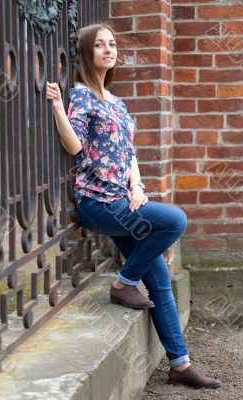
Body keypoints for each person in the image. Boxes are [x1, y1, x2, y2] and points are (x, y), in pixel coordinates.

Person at [46, 23, 221, 389]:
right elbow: (75, 146)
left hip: (124, 199)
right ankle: (123, 282)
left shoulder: (117, 102)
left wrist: (138, 185)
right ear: (85, 52)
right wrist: (58, 106)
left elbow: (129, 154)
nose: (109, 49)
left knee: (158, 279)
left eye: (112, 44)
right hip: (98, 203)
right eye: (100, 45)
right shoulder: (80, 95)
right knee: (175, 220)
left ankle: (180, 364)